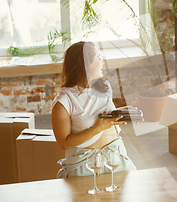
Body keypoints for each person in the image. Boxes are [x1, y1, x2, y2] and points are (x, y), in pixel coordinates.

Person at [52, 41, 136, 178]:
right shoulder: (63, 101)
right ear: (85, 64)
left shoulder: (104, 87)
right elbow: (64, 143)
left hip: (116, 159)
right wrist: (98, 128)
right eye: (99, 58)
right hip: (85, 166)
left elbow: (100, 116)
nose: (102, 62)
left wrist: (120, 111)